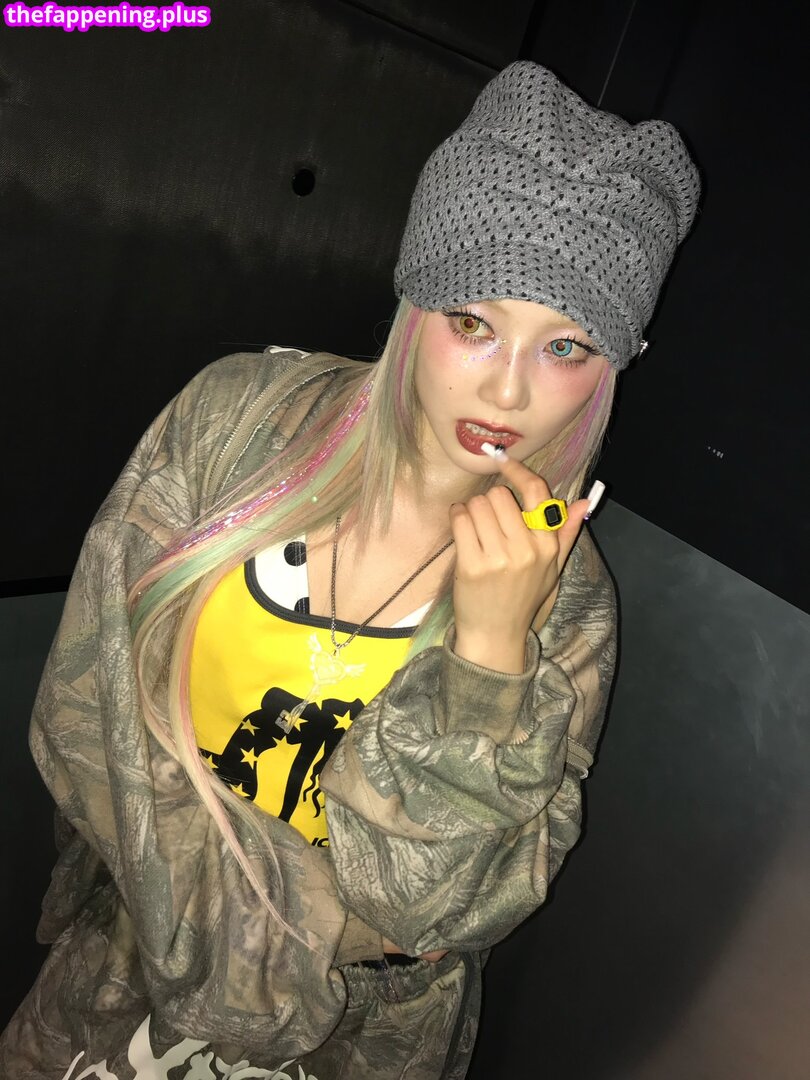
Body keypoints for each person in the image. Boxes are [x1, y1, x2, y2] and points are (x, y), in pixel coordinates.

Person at [0, 61, 700, 1079]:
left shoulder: (568, 600)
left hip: (351, 1043)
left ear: (611, 368)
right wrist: (280, 949)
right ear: (418, 301)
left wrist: (490, 657)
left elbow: (435, 910)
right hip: (119, 973)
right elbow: (82, 714)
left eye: (567, 347)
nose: (508, 390)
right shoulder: (238, 424)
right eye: (474, 323)